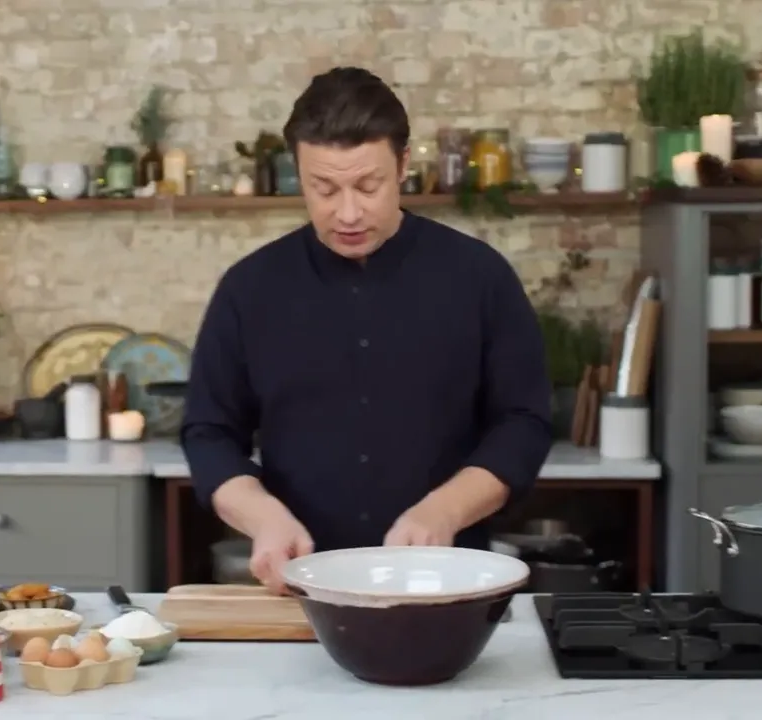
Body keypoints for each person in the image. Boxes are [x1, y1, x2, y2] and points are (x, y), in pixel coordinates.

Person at [180, 66, 553, 594]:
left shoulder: (479, 277)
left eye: (368, 185)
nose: (348, 212)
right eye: (324, 188)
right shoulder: (249, 288)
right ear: (298, 172)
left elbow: (524, 421)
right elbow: (209, 432)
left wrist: (445, 510)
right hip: (302, 585)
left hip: (447, 583)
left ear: (401, 164)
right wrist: (262, 516)